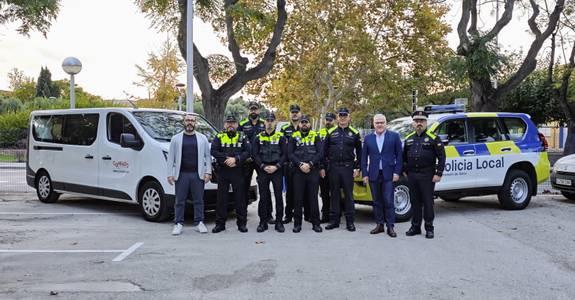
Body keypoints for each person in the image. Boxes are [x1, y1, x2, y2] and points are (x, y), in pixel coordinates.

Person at [167, 113, 212, 235]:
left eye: (192, 120)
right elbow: (171, 158)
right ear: (184, 122)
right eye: (187, 120)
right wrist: (169, 174)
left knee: (199, 200)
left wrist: (208, 172)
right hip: (181, 174)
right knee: (179, 200)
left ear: (195, 123)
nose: (190, 122)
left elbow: (207, 157)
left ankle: (199, 223)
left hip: (198, 175)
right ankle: (178, 223)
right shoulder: (176, 139)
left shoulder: (202, 138)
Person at [403, 110, 446, 239]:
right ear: (413, 124)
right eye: (416, 121)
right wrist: (405, 171)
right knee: (415, 202)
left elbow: (442, 157)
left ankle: (429, 228)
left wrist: (438, 173)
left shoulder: (433, 138)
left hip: (427, 175)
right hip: (412, 175)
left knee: (428, 203)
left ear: (426, 122)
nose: (419, 123)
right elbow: (404, 157)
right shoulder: (408, 138)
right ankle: (415, 227)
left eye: (421, 121)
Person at [360, 114, 402, 237]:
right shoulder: (368, 139)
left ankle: (390, 226)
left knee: (388, 200)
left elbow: (399, 156)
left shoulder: (394, 136)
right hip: (373, 174)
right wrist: (365, 174)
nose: (379, 125)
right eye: (377, 122)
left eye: (381, 122)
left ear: (386, 123)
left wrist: (397, 172)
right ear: (373, 124)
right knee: (376, 201)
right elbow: (363, 158)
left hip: (389, 174)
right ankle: (379, 225)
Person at [323, 107, 362, 232]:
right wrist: (324, 167)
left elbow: (360, 152)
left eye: (345, 115)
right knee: (334, 195)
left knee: (349, 196)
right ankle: (334, 221)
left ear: (349, 117)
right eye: (341, 115)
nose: (343, 118)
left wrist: (358, 167)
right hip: (334, 168)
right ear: (337, 118)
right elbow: (324, 151)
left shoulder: (354, 133)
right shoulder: (331, 132)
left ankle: (350, 222)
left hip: (347, 167)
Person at [211, 115, 250, 233]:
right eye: (228, 123)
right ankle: (220, 224)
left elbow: (248, 151)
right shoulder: (219, 136)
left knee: (240, 198)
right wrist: (226, 159)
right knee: (221, 199)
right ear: (224, 125)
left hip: (238, 170)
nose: (230, 125)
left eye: (233, 123)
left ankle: (242, 224)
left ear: (237, 125)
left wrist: (236, 159)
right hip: (223, 171)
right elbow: (213, 151)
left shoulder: (242, 136)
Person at [288, 115, 323, 233]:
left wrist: (311, 164)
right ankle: (297, 224)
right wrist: (300, 165)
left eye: (306, 122)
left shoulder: (315, 136)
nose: (304, 124)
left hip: (312, 171)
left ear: (310, 124)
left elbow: (320, 153)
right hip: (298, 171)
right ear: (299, 124)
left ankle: (316, 224)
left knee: (313, 198)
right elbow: (290, 154)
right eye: (302, 122)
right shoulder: (294, 136)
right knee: (297, 198)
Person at [253, 112, 287, 233]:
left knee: (278, 197)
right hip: (263, 170)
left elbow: (285, 155)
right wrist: (262, 166)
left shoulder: (281, 137)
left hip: (277, 170)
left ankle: (279, 222)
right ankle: (263, 222)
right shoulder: (258, 137)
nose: (269, 122)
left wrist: (277, 166)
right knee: (263, 197)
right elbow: (255, 155)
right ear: (264, 123)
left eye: (272, 120)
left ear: (275, 122)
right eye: (267, 120)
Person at [238, 101, 272, 223]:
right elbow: (238, 141)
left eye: (255, 109)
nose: (253, 111)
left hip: (261, 160)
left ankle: (268, 215)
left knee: (265, 187)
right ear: (248, 110)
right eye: (251, 109)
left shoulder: (264, 124)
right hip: (246, 161)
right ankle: (243, 215)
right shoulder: (242, 124)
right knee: (244, 188)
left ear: (259, 110)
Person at [281, 104, 301, 224]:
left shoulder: (304, 126)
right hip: (289, 165)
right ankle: (288, 215)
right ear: (290, 114)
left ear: (300, 113)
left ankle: (305, 214)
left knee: (302, 191)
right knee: (289, 192)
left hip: (301, 164)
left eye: (296, 112)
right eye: (292, 112)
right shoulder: (285, 128)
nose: (294, 114)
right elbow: (283, 146)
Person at [318, 112, 336, 223]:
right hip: (323, 166)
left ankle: (334, 216)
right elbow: (319, 151)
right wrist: (321, 167)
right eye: (327, 120)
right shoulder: (320, 133)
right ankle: (325, 215)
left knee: (334, 193)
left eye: (330, 120)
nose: (328, 122)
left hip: (334, 166)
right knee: (324, 193)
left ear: (334, 120)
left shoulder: (337, 131)